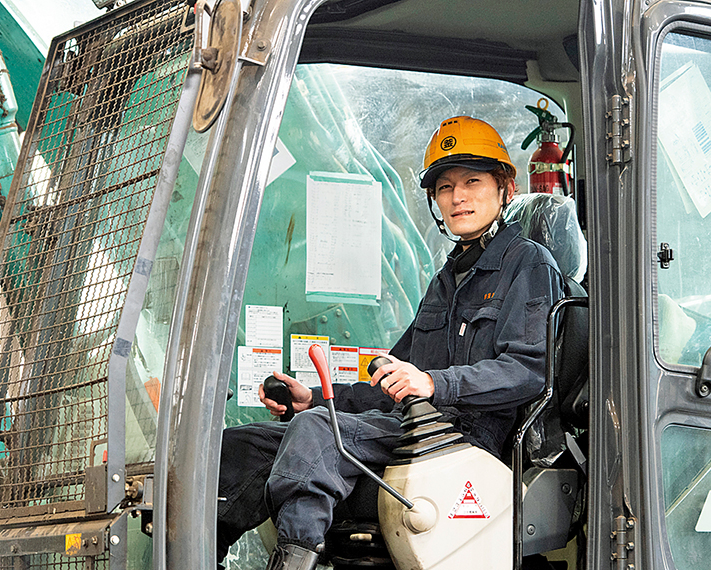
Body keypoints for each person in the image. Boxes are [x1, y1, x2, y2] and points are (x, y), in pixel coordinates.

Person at [217, 116, 565, 570]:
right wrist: (317, 402)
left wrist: (434, 384)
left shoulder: (529, 264)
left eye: (472, 182)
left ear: (505, 187)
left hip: (465, 436)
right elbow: (391, 374)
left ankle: (293, 559)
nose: (457, 197)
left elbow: (528, 371)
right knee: (244, 444)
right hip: (411, 426)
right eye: (444, 187)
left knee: (317, 436)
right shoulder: (447, 279)